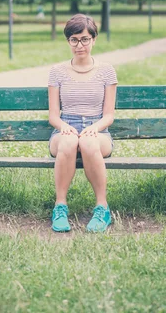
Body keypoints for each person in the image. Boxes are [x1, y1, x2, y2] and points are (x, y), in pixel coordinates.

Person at [48, 14, 118, 233]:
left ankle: (102, 208)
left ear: (94, 39)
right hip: (65, 128)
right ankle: (60, 207)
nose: (80, 45)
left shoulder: (106, 71)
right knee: (69, 142)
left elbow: (108, 116)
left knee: (88, 143)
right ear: (68, 41)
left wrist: (93, 128)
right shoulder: (57, 72)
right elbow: (53, 116)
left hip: (98, 131)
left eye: (85, 39)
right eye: (74, 39)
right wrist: (63, 127)